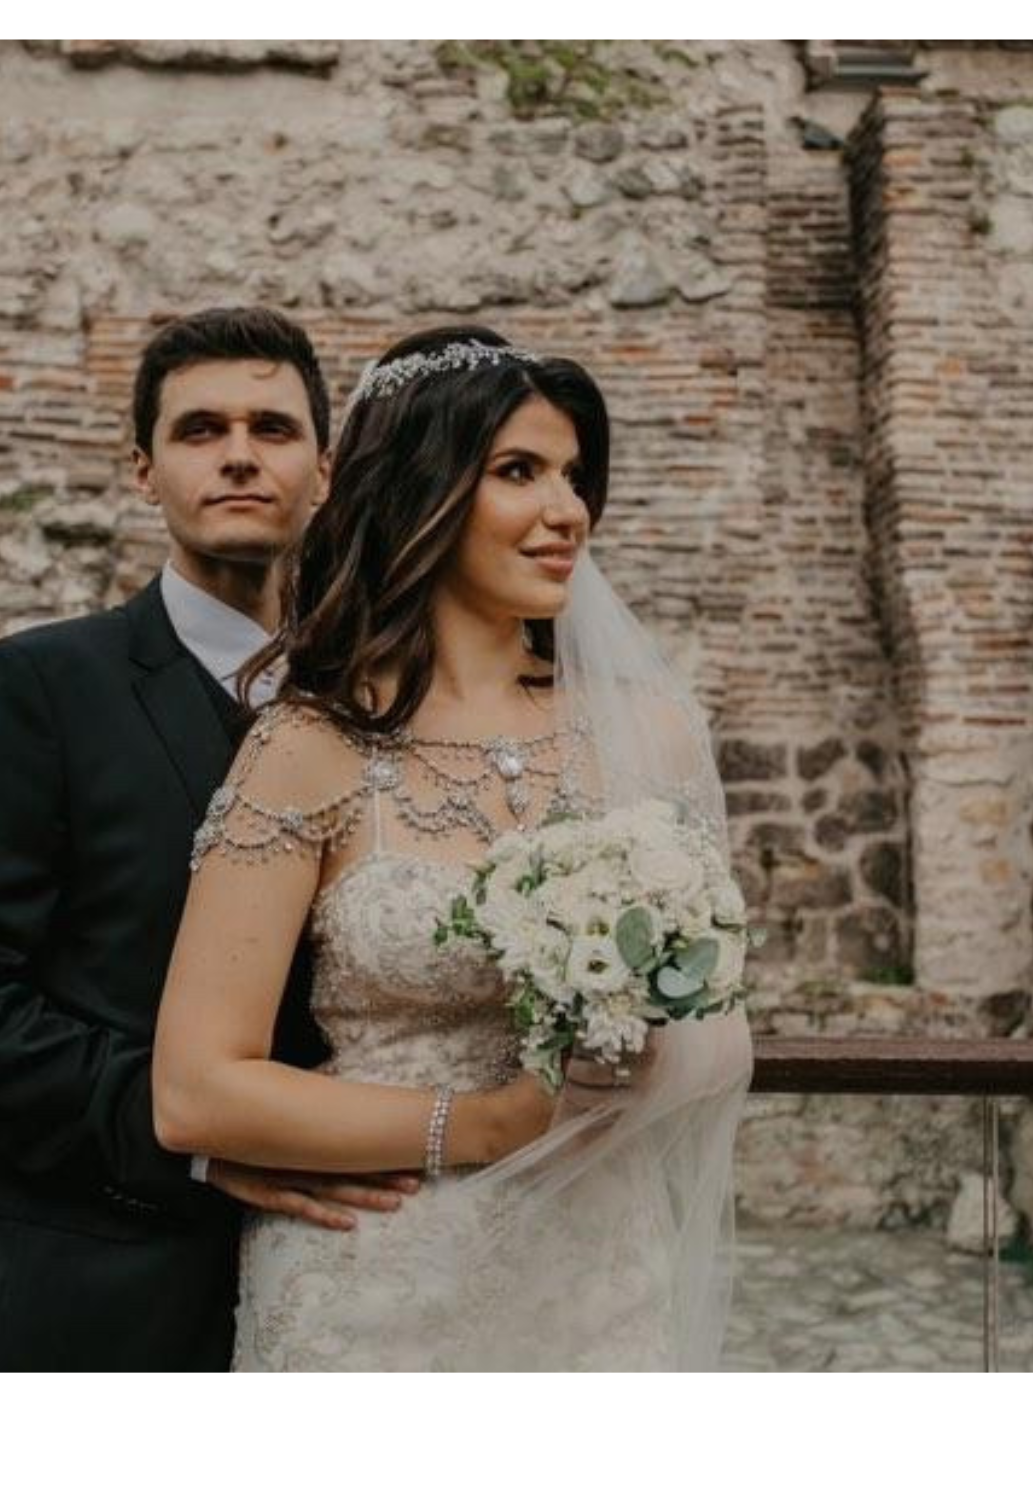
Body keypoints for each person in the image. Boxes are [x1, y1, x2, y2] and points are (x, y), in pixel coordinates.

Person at [152, 326, 754, 1371]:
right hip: (378, 1281)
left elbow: (728, 1032)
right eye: (518, 472)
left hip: (598, 1281)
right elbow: (196, 1089)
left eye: (572, 475)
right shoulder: (307, 748)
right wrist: (475, 1125)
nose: (566, 510)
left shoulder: (645, 730)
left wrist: (628, 1052)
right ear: (419, 490)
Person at [0, 306, 425, 1371]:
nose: (240, 455)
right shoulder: (36, 687)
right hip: (82, 1298)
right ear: (142, 471)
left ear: (326, 469)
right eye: (200, 430)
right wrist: (188, 1136)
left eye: (272, 428)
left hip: (349, 1294)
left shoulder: (381, 705)